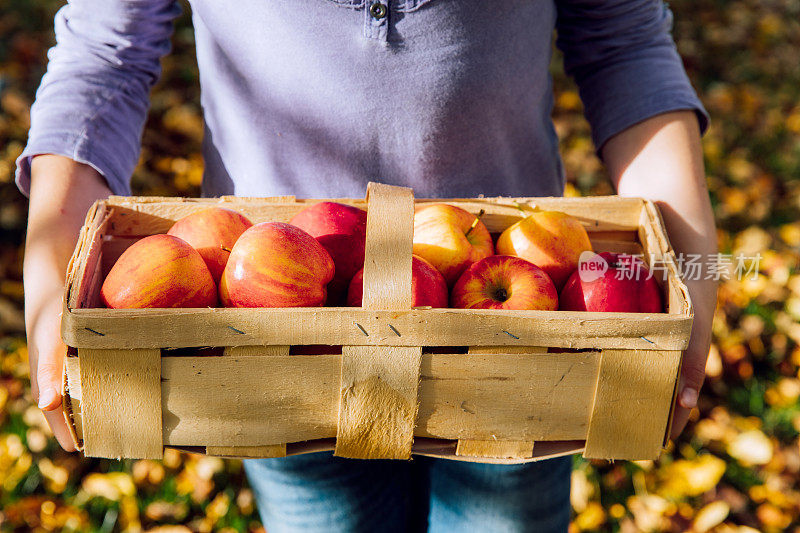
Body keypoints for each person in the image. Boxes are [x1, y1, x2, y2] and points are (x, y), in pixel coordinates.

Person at [19, 1, 718, 531]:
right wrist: (52, 270)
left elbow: (622, 38)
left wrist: (692, 266)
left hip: (527, 341)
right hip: (274, 342)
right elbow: (104, 54)